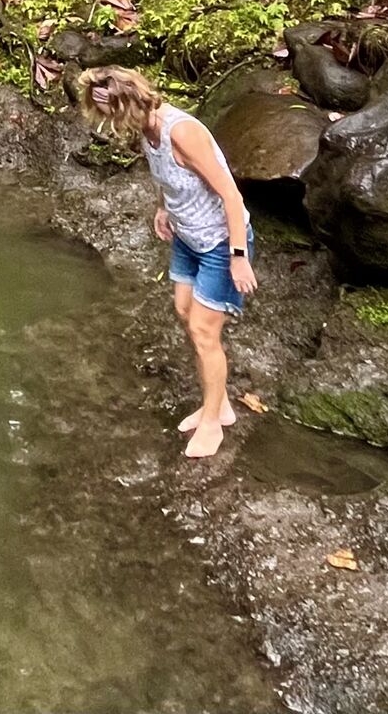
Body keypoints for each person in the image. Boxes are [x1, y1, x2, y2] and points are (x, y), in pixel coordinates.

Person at [78, 66, 257, 459]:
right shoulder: (148, 129)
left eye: (111, 114)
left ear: (128, 103)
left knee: (203, 331)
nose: (110, 124)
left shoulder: (182, 131)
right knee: (183, 311)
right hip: (187, 237)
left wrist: (239, 257)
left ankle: (213, 424)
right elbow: (166, 177)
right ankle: (220, 403)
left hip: (219, 241)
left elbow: (231, 195)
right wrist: (163, 209)